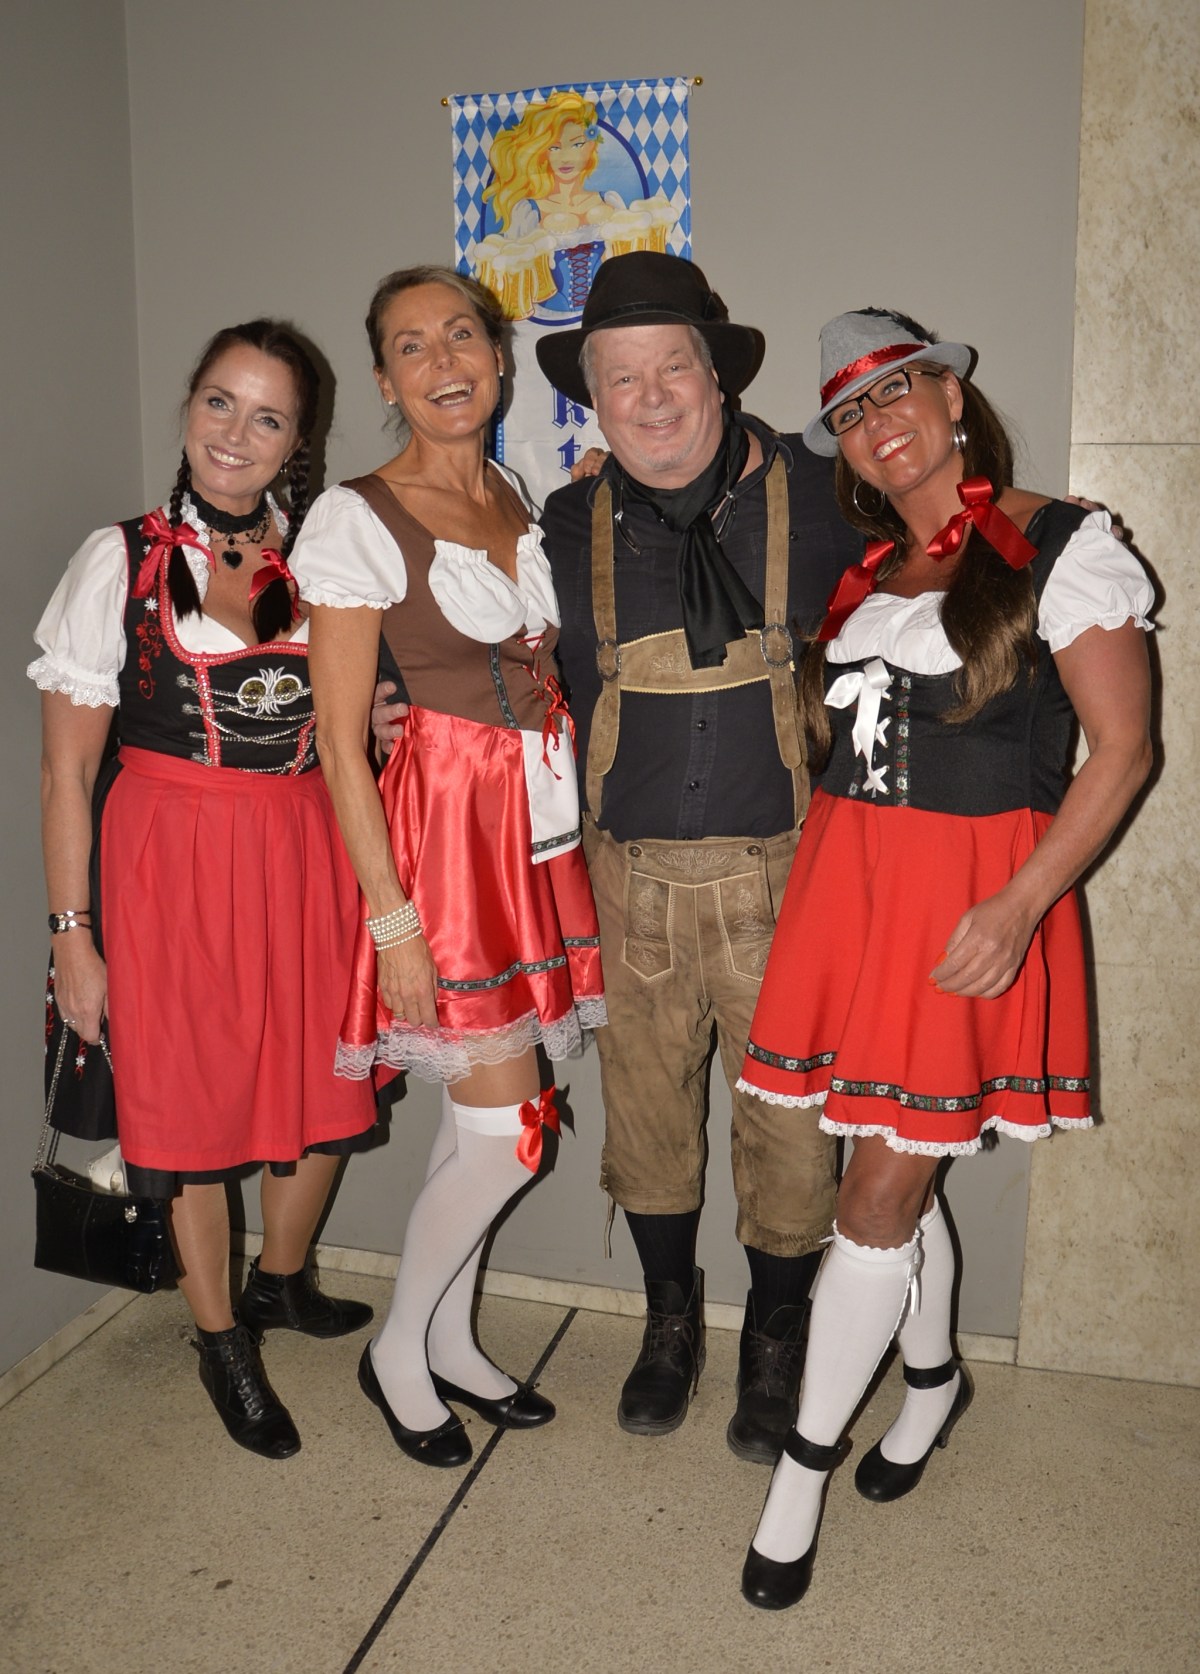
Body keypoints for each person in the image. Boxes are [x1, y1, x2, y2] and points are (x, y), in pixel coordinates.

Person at [737, 308, 1154, 1609]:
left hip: (972, 906)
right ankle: (930, 1384)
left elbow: (1124, 750)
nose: (878, 422)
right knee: (892, 1160)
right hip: (854, 899)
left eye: (897, 390)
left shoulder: (1061, 543)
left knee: (875, 1197)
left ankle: (800, 1473)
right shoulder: (870, 573)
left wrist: (1022, 905)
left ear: (953, 399)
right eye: (851, 413)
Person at [531, 252, 864, 1462]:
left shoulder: (827, 497)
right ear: (596, 401)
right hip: (628, 888)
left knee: (792, 1133)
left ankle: (776, 1338)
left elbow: (946, 547)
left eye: (673, 366)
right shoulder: (560, 523)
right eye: (622, 378)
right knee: (646, 1126)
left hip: (790, 882)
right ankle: (668, 1321)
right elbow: (482, 656)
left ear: (718, 376)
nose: (652, 397)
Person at [31, 320, 377, 1462]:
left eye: (268, 417)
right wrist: (73, 936)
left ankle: (281, 1280)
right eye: (221, 402)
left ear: (296, 442)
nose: (237, 433)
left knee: (326, 1072)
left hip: (306, 851)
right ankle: (221, 1339)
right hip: (167, 861)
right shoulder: (120, 560)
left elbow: (346, 713)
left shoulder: (324, 561)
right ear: (188, 406)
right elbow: (66, 772)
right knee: (183, 1105)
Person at [291, 265, 605, 1470]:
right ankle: (398, 1352)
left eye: (460, 334)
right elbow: (338, 738)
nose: (442, 362)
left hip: (529, 837)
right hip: (444, 849)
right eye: (411, 346)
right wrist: (393, 924)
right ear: (384, 380)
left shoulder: (516, 497)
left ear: (499, 354)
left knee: (474, 1123)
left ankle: (453, 1341)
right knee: (513, 1128)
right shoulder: (357, 517)